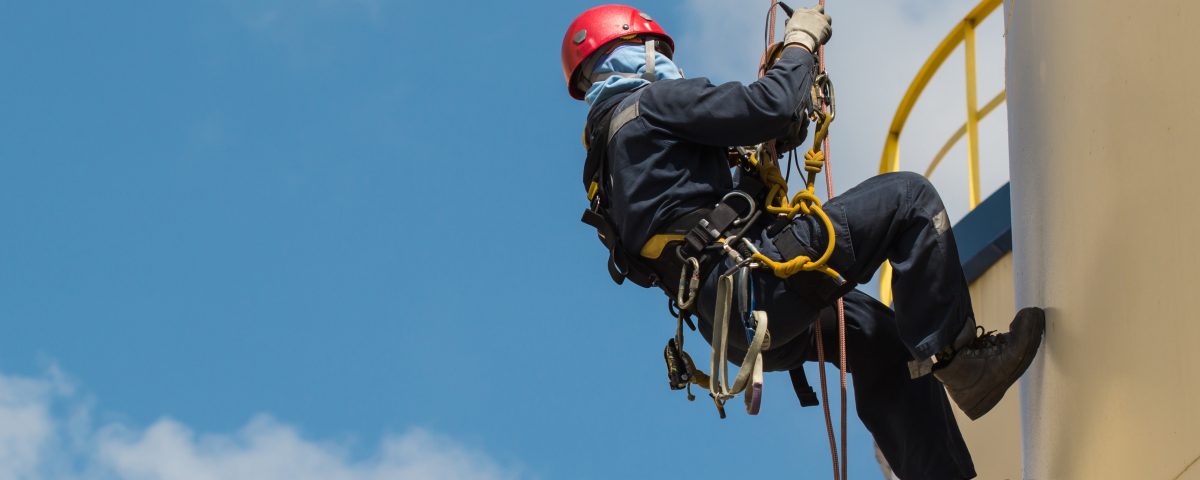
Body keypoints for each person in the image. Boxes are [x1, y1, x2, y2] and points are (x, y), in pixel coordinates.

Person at [561, 5, 1045, 479]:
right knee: (907, 199)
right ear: (636, 52)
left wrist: (757, 163)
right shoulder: (653, 104)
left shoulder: (608, 162)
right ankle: (963, 361)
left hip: (728, 323)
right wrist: (800, 44)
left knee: (883, 340)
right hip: (753, 288)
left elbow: (699, 220)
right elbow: (768, 106)